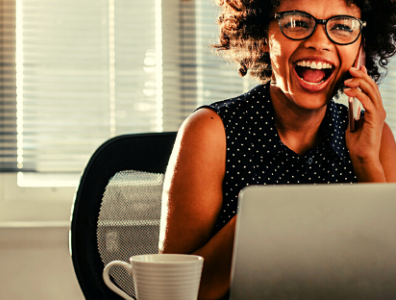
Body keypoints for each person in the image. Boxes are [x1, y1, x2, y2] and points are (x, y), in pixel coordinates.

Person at [159, 0, 396, 299]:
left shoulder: (375, 138)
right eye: (297, 23)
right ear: (262, 36)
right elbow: (170, 291)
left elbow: (387, 279)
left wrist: (366, 163)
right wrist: (262, 220)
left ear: (362, 48)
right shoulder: (210, 132)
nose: (319, 43)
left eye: (341, 26)